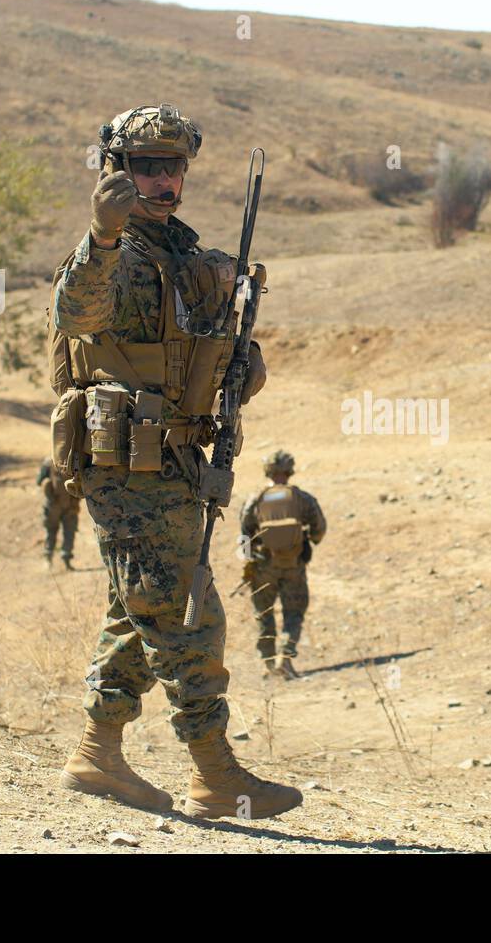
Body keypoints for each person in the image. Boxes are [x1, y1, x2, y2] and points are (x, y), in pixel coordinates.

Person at [50, 103, 300, 820]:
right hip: (125, 456)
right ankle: (217, 775)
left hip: (179, 458)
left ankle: (98, 755)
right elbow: (75, 311)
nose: (160, 181)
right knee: (184, 609)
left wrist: (238, 362)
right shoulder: (110, 253)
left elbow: (211, 353)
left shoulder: (184, 256)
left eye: (172, 167)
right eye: (143, 168)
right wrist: (100, 234)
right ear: (114, 173)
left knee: (139, 606)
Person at [240, 451, 326, 679]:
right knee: (294, 612)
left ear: (267, 471)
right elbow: (319, 529)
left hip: (263, 567)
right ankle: (285, 660)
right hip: (293, 565)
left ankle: (268, 664)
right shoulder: (302, 498)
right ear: (289, 471)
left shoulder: (255, 499)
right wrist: (306, 541)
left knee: (264, 613)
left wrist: (250, 562)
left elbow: (244, 534)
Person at [36, 457, 80, 570]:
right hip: (71, 503)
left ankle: (48, 559)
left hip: (53, 504)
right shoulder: (75, 460)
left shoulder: (49, 462)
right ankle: (66, 561)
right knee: (69, 533)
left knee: (51, 531)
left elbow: (39, 481)